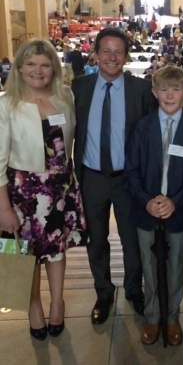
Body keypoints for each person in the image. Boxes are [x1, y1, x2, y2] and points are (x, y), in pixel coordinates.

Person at [0, 39, 87, 341]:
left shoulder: (64, 97)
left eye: (45, 64)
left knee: (56, 249)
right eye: (31, 64)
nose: (38, 71)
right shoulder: (6, 104)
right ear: (20, 68)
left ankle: (58, 302)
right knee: (29, 254)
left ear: (53, 68)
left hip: (60, 187)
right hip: (24, 192)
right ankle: (34, 304)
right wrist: (3, 208)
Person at [71, 28, 158, 326]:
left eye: (118, 52)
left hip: (127, 180)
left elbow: (152, 135)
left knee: (131, 240)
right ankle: (103, 293)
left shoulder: (141, 90)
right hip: (92, 177)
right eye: (105, 51)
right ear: (95, 53)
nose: (111, 57)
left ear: (126, 56)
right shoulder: (79, 87)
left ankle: (134, 290)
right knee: (96, 240)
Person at [124, 65, 183, 346]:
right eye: (163, 89)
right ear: (154, 91)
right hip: (145, 208)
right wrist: (147, 200)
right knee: (148, 266)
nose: (169, 94)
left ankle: (172, 317)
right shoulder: (142, 126)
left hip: (179, 209)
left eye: (176, 89)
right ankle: (152, 316)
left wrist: (175, 201)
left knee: (176, 265)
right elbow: (131, 171)